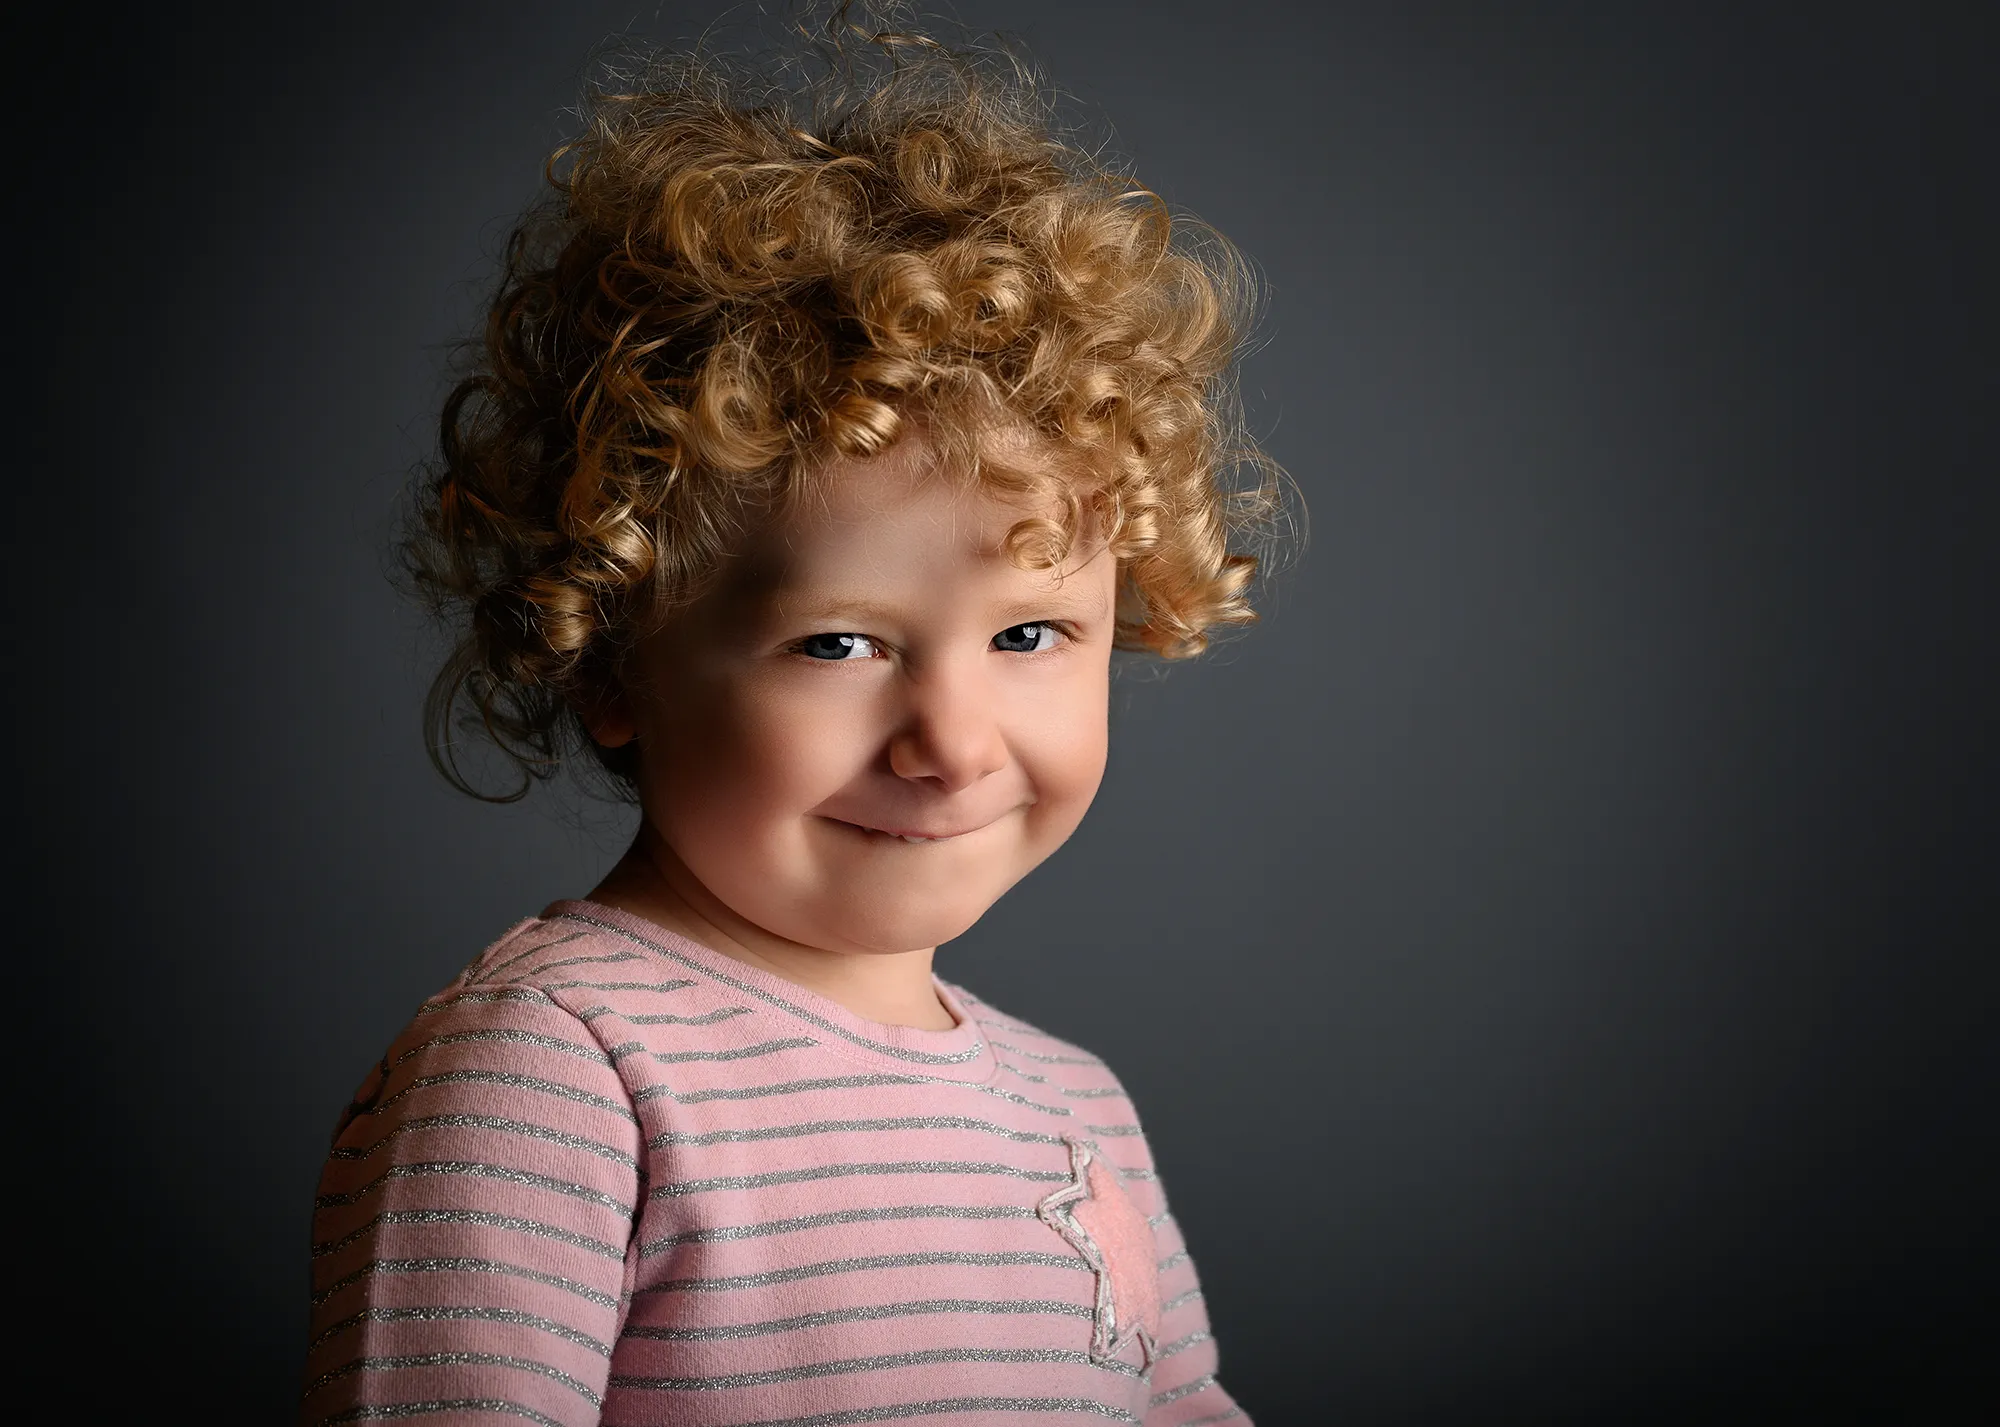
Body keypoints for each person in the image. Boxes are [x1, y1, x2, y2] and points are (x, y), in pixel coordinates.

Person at [303, 10, 1283, 1423]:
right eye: (837, 642)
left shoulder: (1077, 1111)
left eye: (1028, 633)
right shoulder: (556, 1067)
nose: (951, 740)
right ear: (611, 659)